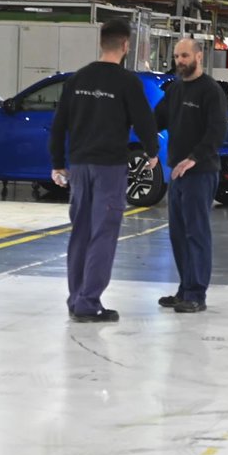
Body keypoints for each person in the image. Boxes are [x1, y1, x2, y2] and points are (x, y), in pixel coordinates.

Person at [50, 18, 159, 323]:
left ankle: (76, 298)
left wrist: (57, 163)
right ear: (126, 45)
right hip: (109, 167)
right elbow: (144, 120)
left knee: (80, 232)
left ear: (101, 42)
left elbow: (58, 125)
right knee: (103, 233)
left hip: (79, 166)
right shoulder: (127, 82)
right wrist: (152, 151)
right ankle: (88, 302)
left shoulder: (77, 80)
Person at [155, 38, 227, 314]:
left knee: (196, 233)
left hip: (200, 172)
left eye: (184, 55)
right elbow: (156, 118)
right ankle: (185, 289)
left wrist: (193, 158)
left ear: (199, 57)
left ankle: (197, 294)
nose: (180, 61)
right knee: (178, 234)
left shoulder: (210, 91)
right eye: (176, 56)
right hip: (177, 173)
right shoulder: (175, 89)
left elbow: (217, 132)